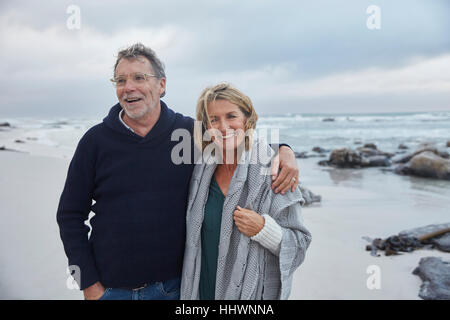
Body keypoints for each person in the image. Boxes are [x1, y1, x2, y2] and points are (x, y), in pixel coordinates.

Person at [56, 43, 300, 300]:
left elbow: (237, 139)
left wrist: (284, 150)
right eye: (120, 80)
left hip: (174, 289)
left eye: (139, 77)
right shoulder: (95, 142)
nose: (129, 87)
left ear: (161, 85)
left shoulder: (189, 134)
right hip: (110, 290)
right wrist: (87, 282)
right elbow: (70, 215)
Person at [180, 83, 311, 300]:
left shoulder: (274, 171)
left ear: (247, 120)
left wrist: (264, 229)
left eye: (231, 116)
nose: (223, 127)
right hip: (200, 291)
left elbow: (300, 244)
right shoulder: (200, 171)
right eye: (214, 119)